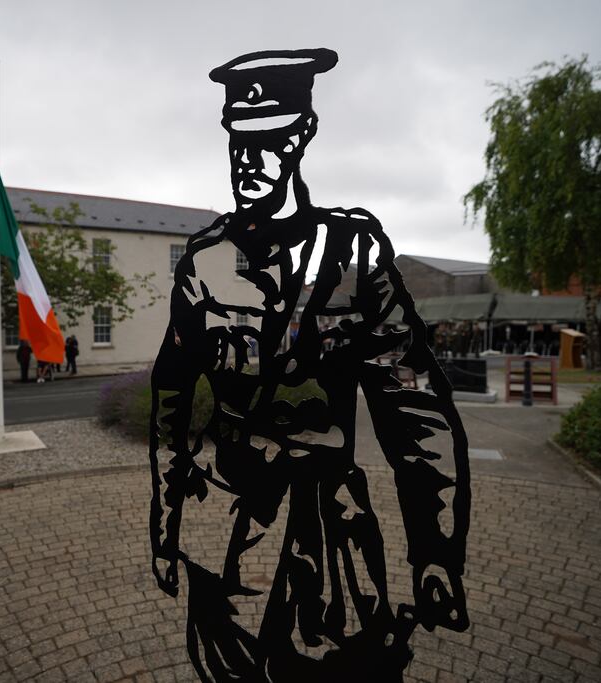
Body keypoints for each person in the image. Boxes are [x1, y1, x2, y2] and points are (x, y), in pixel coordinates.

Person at [148, 49, 469, 682]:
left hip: (329, 531)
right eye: (240, 143)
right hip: (232, 521)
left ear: (302, 135)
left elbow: (414, 402)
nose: (249, 161)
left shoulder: (353, 253)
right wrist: (165, 524)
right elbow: (170, 401)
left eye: (268, 142)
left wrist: (436, 550)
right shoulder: (206, 262)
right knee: (226, 668)